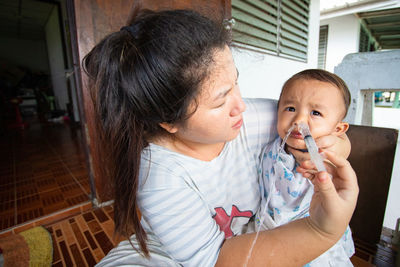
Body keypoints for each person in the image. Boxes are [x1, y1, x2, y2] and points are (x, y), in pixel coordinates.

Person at [83, 8, 359, 266]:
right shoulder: (160, 176)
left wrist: (336, 147)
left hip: (249, 239)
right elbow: (216, 261)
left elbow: (320, 132)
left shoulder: (253, 118)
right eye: (220, 101)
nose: (240, 105)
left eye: (235, 83)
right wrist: (320, 231)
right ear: (168, 122)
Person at [256, 69, 354, 266]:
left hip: (314, 232)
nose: (299, 121)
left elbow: (340, 150)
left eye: (316, 113)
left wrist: (339, 148)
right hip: (271, 231)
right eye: (290, 108)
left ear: (337, 130)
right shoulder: (273, 144)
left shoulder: (326, 156)